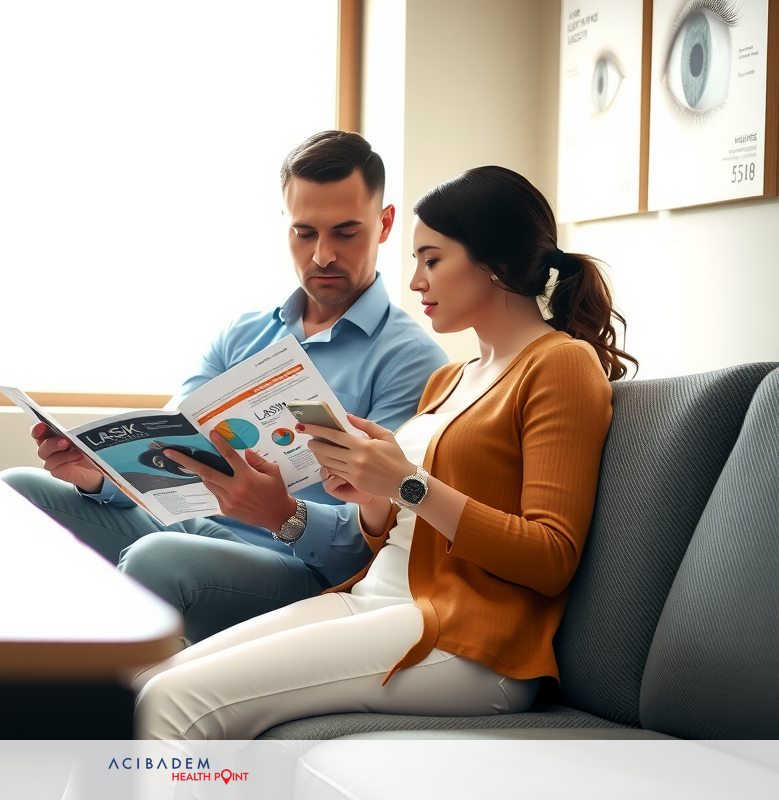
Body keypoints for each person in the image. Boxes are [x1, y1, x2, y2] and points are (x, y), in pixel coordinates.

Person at [133, 165, 638, 740]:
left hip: (466, 642)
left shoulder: (560, 363)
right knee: (151, 680)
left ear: (493, 263)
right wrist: (371, 496)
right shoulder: (450, 379)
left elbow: (551, 557)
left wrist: (406, 483)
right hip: (375, 600)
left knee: (174, 703)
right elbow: (399, 535)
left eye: (432, 259)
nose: (417, 281)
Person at [0, 131, 447, 644]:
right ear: (284, 223)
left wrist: (284, 514)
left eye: (346, 233)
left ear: (384, 224)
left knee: (159, 558)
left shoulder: (412, 362)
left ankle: (102, 714)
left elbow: (383, 538)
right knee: (16, 490)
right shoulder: (244, 333)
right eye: (304, 232)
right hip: (193, 529)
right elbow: (164, 462)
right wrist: (101, 475)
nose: (323, 255)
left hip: (301, 570)